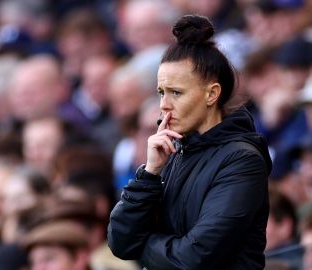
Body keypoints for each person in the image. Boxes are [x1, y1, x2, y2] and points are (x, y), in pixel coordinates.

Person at [108, 15, 272, 269]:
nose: (164, 105)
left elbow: (191, 259)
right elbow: (120, 241)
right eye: (162, 92)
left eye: (176, 92)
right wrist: (150, 174)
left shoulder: (243, 160)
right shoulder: (172, 152)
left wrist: (142, 243)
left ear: (212, 94)